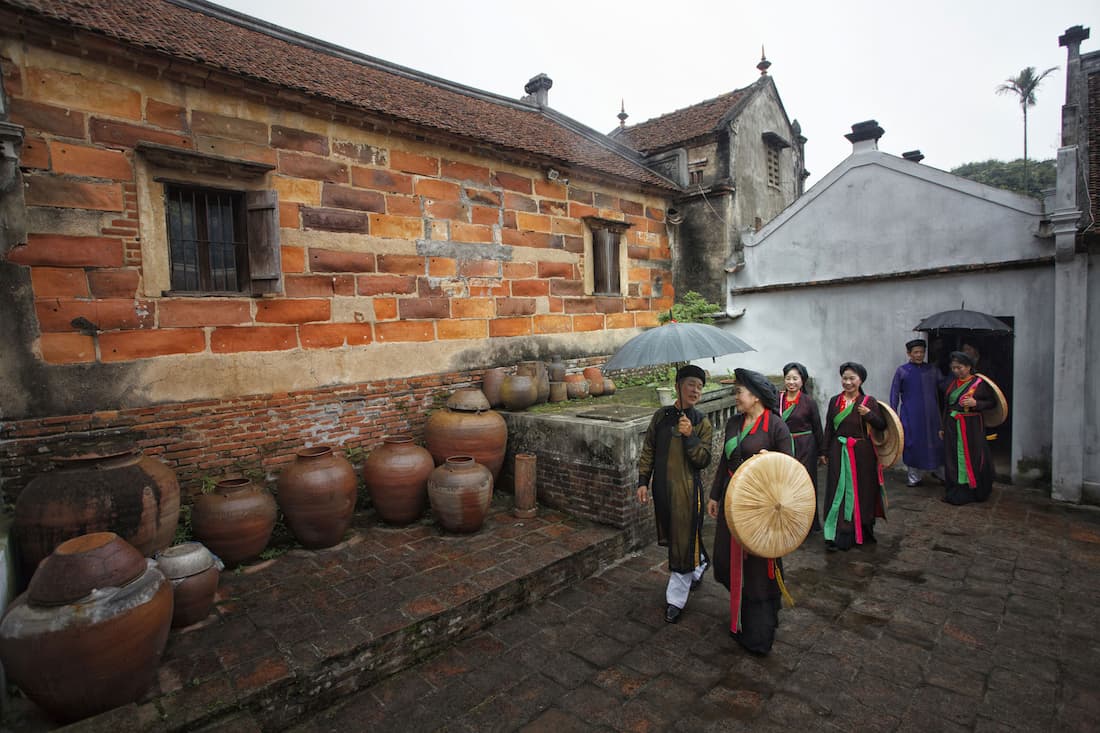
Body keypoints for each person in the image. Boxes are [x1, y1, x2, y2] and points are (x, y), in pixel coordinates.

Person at [707, 368, 793, 655]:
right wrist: (715, 494)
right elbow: (724, 462)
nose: (736, 397)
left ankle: (759, 634)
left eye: (739, 392)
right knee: (726, 560)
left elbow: (790, 470)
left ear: (755, 396)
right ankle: (739, 616)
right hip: (732, 502)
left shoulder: (776, 427)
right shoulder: (733, 423)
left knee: (757, 570)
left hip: (761, 509)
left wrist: (772, 461)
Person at [636, 364, 713, 624]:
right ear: (678, 385)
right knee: (677, 535)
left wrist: (690, 436)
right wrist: (643, 481)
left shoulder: (701, 422)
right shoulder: (661, 417)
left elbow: (703, 459)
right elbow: (648, 449)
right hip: (662, 491)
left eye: (700, 387)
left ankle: (675, 600)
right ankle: (700, 561)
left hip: (687, 493)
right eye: (691, 384)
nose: (696, 391)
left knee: (681, 543)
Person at [821, 362, 887, 551]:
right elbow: (829, 428)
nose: (847, 382)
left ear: (861, 380)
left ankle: (859, 528)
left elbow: (882, 425)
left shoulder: (869, 402)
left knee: (861, 490)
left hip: (862, 454)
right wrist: (824, 451)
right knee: (836, 489)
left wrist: (869, 416)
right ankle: (837, 530)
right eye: (844, 378)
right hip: (838, 450)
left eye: (852, 378)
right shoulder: (835, 401)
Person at [940, 351, 995, 505]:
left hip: (971, 428)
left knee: (971, 458)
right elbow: (947, 405)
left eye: (960, 368)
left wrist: (976, 403)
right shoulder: (953, 383)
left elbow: (992, 402)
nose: (957, 371)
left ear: (969, 367)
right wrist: (942, 426)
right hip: (952, 426)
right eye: (954, 368)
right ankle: (954, 491)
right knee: (952, 458)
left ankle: (971, 491)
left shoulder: (979, 383)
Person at [889, 339, 945, 486]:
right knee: (912, 443)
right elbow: (894, 393)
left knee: (936, 442)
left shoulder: (932, 370)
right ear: (909, 354)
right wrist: (893, 415)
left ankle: (939, 472)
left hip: (932, 414)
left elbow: (945, 386)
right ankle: (914, 477)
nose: (919, 355)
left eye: (922, 352)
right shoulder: (902, 371)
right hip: (910, 414)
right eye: (916, 352)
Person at [779, 362, 824, 531]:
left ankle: (808, 523)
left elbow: (818, 427)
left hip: (806, 447)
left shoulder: (808, 402)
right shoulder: (778, 399)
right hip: (784, 447)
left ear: (802, 381)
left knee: (805, 483)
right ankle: (788, 520)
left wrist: (822, 452)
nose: (791, 382)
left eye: (795, 379)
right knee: (785, 484)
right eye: (788, 378)